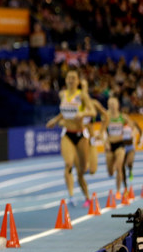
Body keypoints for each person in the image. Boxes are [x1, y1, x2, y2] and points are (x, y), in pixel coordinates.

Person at [45, 71, 94, 207]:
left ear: (78, 81)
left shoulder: (82, 95)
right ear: (66, 80)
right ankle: (71, 196)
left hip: (81, 134)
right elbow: (64, 112)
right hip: (67, 133)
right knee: (68, 163)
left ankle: (87, 197)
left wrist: (83, 113)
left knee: (82, 170)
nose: (71, 80)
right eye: (69, 78)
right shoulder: (63, 94)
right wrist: (54, 120)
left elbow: (93, 111)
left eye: (74, 78)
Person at [101, 96, 129, 197]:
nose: (112, 106)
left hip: (120, 145)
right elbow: (102, 132)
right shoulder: (106, 117)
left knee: (119, 167)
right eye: (110, 104)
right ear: (108, 105)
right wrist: (106, 142)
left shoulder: (123, 117)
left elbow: (132, 127)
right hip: (110, 145)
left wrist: (132, 134)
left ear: (118, 105)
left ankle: (118, 191)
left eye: (114, 104)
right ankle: (111, 165)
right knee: (110, 172)